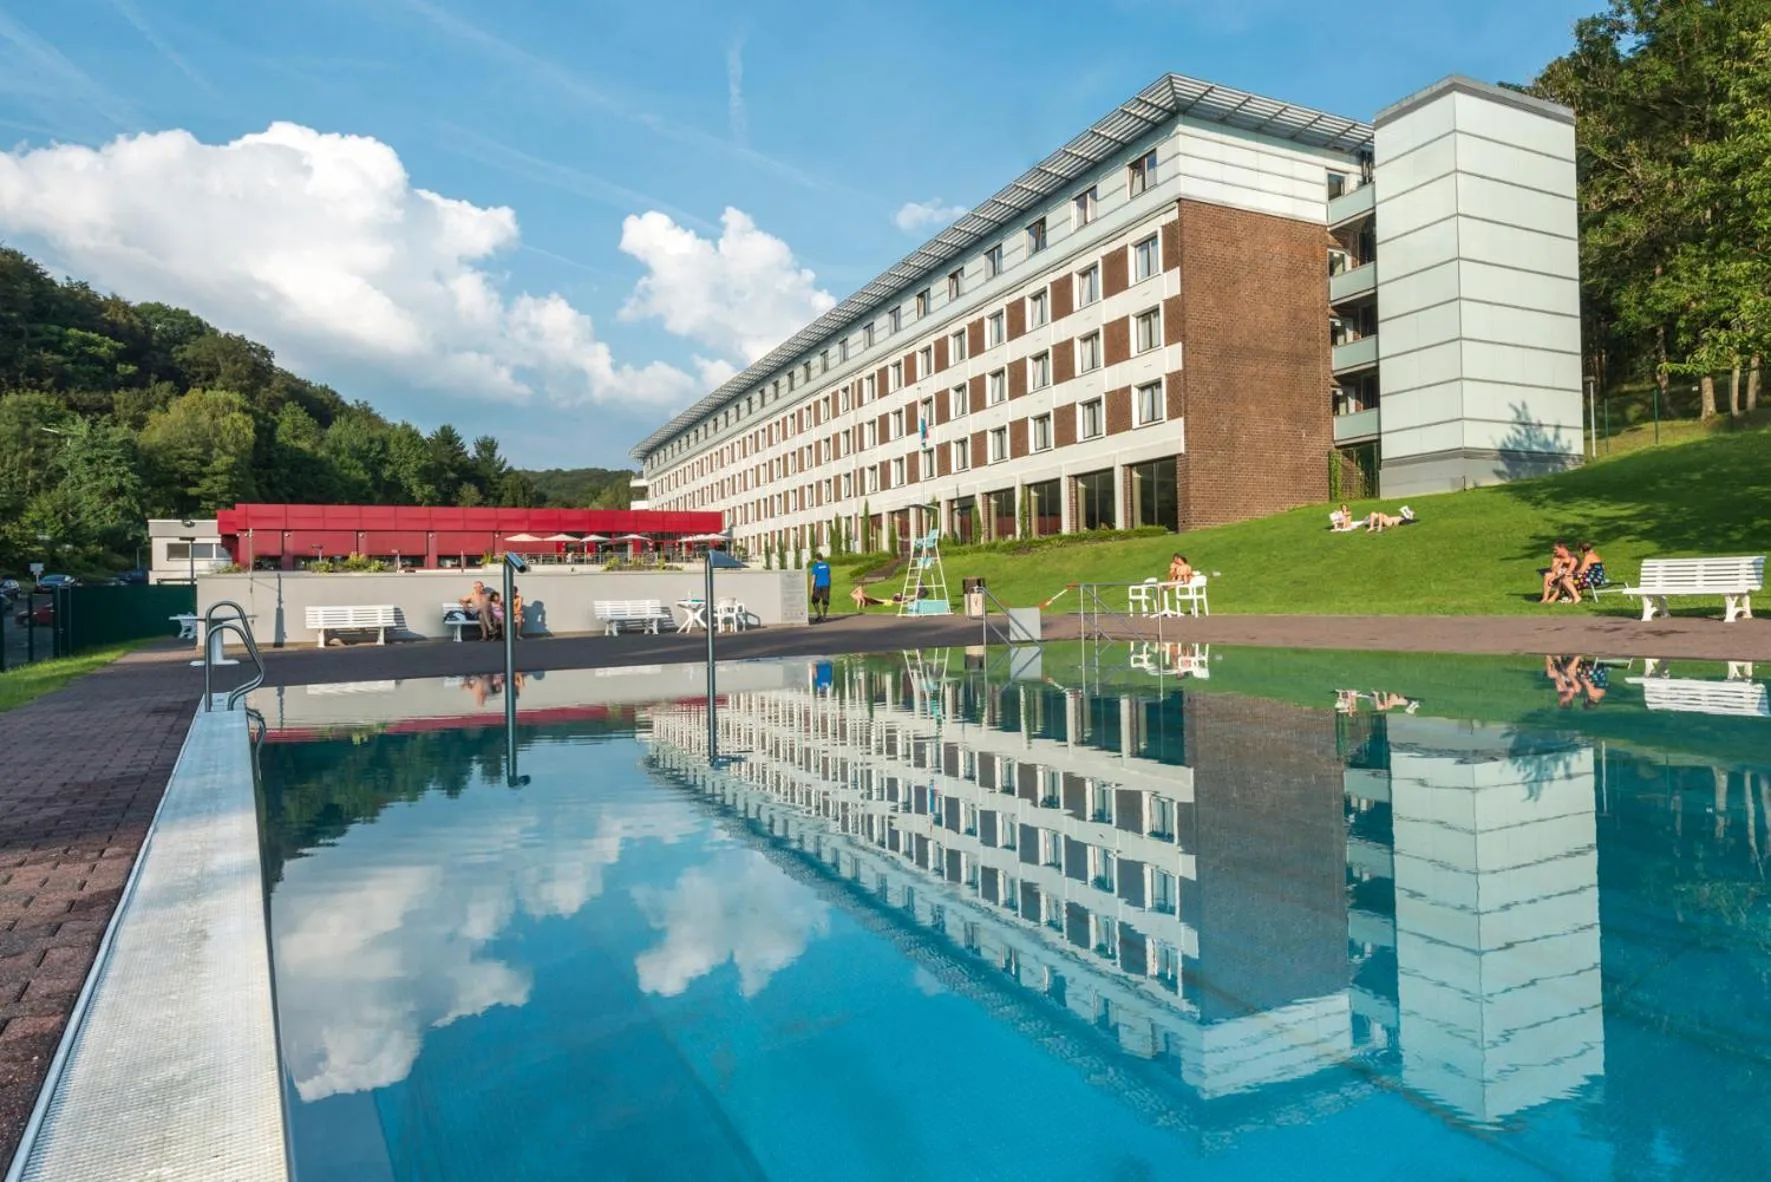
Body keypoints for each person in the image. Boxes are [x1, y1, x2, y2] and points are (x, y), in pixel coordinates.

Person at [809, 552, 833, 622]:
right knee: (825, 601)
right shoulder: (827, 565)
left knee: (814, 600)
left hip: (818, 585)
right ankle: (824, 616)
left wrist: (811, 589)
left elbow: (813, 578)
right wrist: (829, 585)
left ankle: (819, 614)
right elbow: (829, 576)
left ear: (816, 559)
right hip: (826, 585)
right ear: (822, 558)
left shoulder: (815, 566)